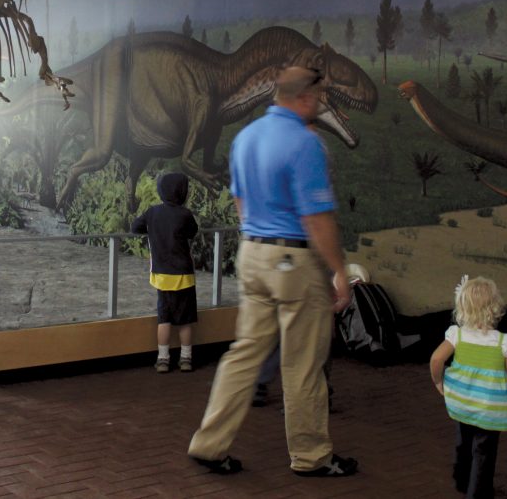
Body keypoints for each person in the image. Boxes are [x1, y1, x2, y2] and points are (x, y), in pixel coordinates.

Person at [187, 66, 356, 477]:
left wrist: (256, 240)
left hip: (253, 254)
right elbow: (317, 219)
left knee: (244, 354)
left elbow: (240, 202)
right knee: (302, 363)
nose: (320, 102)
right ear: (304, 97)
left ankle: (209, 444)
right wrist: (339, 272)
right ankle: (311, 456)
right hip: (294, 263)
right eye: (319, 95)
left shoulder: (246, 137)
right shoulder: (305, 143)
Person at [429, 276, 507, 498]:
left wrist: (438, 381)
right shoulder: (504, 342)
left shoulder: (456, 335)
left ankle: (461, 480)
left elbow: (436, 359)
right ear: (496, 307)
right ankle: (478, 492)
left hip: (462, 401)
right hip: (489, 407)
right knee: (484, 451)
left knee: (464, 441)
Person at [131, 172, 199, 373]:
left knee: (164, 319)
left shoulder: (152, 213)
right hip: (184, 276)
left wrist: (151, 229)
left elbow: (135, 227)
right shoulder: (185, 214)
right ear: (182, 192)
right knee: (186, 321)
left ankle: (163, 359)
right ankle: (186, 359)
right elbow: (192, 232)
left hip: (162, 276)